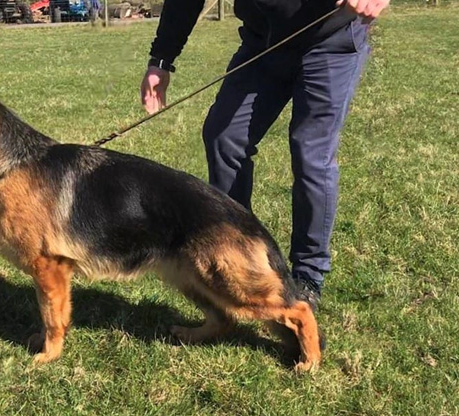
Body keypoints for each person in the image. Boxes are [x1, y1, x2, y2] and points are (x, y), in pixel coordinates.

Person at [140, 0, 389, 309]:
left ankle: (308, 277)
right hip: (263, 45)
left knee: (311, 154)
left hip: (330, 41)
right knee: (224, 136)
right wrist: (161, 60)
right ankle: (237, 254)